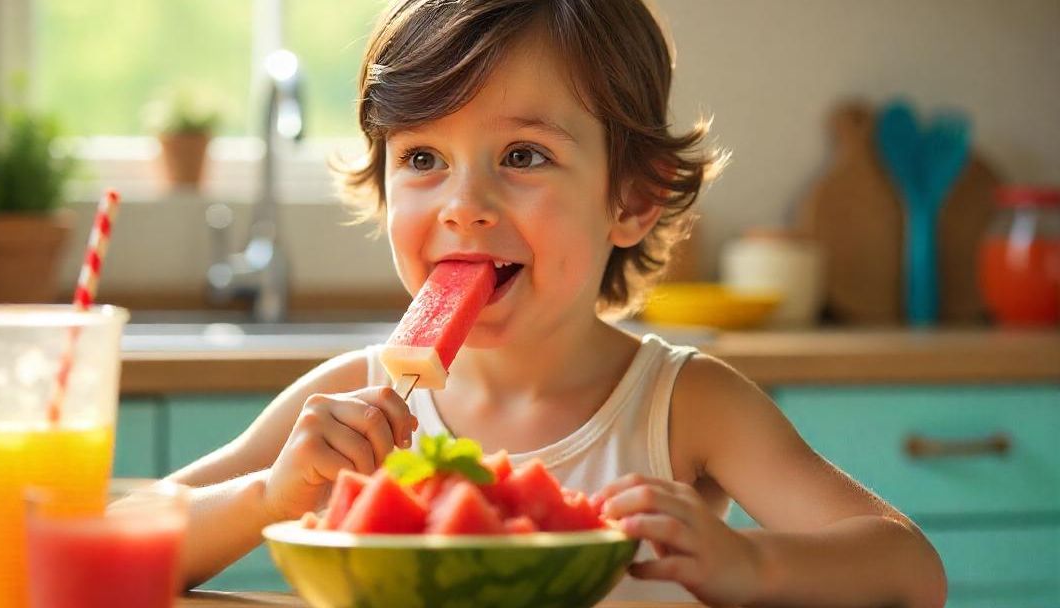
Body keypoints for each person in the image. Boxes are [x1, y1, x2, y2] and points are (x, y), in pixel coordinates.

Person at [169, 1, 947, 605]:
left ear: (632, 198)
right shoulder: (347, 401)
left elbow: (909, 569)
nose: (463, 203)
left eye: (523, 155)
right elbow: (123, 540)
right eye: (422, 158)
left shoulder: (684, 407)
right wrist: (267, 497)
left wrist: (752, 562)